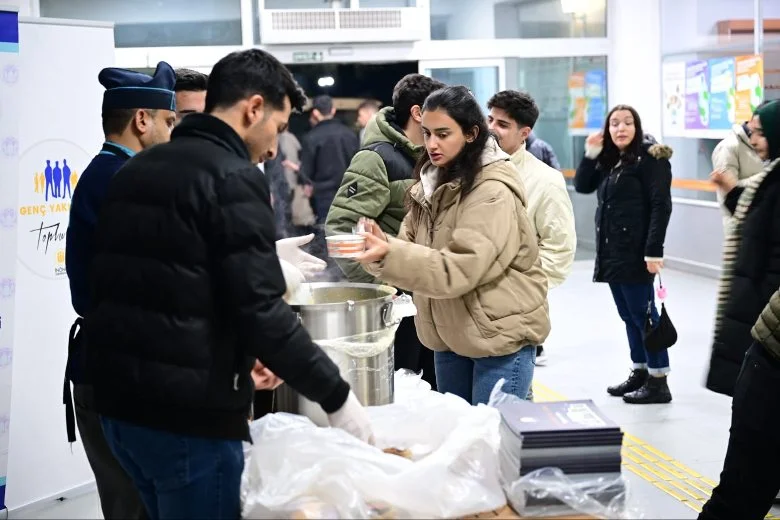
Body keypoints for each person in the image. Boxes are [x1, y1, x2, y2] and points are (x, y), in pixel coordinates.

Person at [84, 49, 373, 519]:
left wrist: (239, 352)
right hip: (187, 420)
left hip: (118, 411)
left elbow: (165, 287)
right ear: (252, 108)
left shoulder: (135, 169)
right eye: (278, 129)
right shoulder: (233, 176)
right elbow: (260, 309)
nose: (276, 148)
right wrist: (337, 397)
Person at [355, 85, 550, 405]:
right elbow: (408, 245)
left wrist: (391, 253)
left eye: (443, 134)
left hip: (497, 339)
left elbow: (460, 268)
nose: (432, 144)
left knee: (493, 445)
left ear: (472, 134)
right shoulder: (430, 184)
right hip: (449, 337)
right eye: (427, 133)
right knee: (459, 442)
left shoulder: (491, 190)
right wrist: (379, 251)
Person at [64, 61, 178, 520]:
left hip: (116, 368)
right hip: (118, 374)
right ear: (142, 120)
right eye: (170, 121)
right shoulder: (121, 181)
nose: (174, 133)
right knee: (134, 507)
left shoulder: (108, 175)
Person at [326, 73, 446, 389]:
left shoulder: (439, 157)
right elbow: (341, 229)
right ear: (418, 113)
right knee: (402, 390)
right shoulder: (377, 159)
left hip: (436, 297)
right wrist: (379, 286)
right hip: (397, 307)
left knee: (437, 394)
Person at [700, 101, 780, 520]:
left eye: (763, 133)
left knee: (744, 477)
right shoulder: (772, 177)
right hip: (763, 333)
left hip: (768, 342)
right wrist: (734, 193)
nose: (756, 141)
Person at [574, 104, 673, 404]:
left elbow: (661, 205)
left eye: (627, 123)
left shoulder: (650, 159)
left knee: (645, 316)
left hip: (637, 253)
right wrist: (590, 153)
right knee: (629, 315)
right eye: (614, 123)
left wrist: (654, 250)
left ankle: (659, 380)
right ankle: (640, 370)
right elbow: (582, 185)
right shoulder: (611, 160)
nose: (620, 129)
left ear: (637, 127)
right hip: (613, 252)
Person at [487, 90, 576, 370]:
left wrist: (522, 289)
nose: (491, 129)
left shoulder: (545, 181)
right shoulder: (467, 170)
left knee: (511, 399)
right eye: (490, 119)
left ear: (524, 133)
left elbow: (560, 248)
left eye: (502, 124)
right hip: (468, 311)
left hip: (515, 312)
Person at [301, 95, 360, 223]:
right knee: (350, 232)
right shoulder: (349, 134)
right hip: (351, 191)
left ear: (315, 113)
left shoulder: (311, 137)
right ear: (333, 110)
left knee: (327, 234)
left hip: (324, 196)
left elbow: (306, 171)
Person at [711, 101, 769, 233]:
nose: (755, 140)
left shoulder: (768, 146)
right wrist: (768, 177)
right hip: (740, 230)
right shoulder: (728, 147)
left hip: (760, 224)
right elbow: (729, 191)